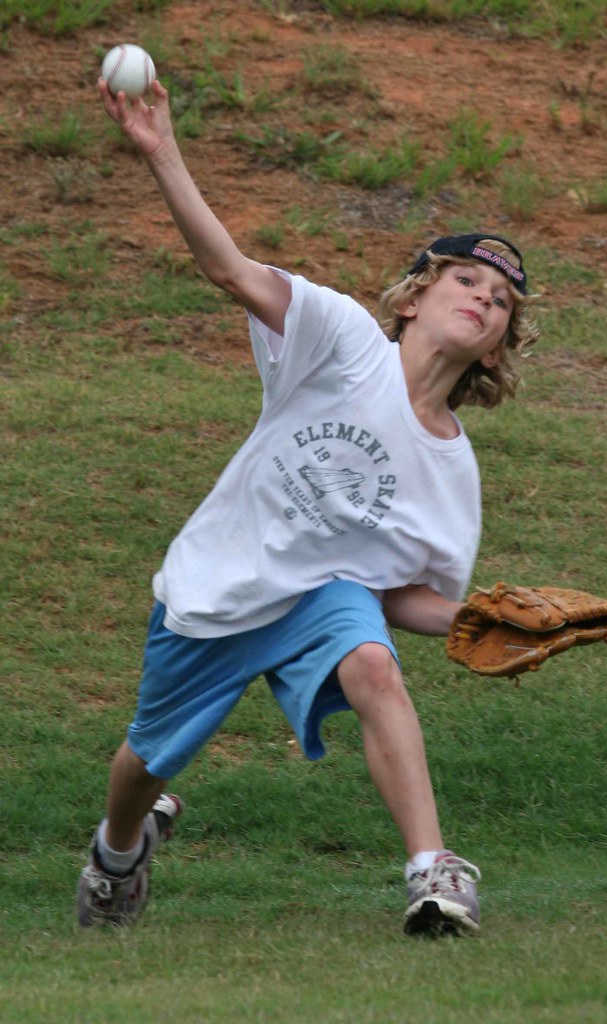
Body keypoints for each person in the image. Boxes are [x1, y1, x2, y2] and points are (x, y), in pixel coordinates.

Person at [77, 76, 539, 937]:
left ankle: (430, 871)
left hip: (321, 596)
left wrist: (485, 619)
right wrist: (160, 151)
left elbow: (402, 594)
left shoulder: (451, 467)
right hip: (220, 582)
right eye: (466, 279)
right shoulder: (337, 339)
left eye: (501, 299)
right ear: (413, 296)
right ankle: (118, 847)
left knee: (371, 665)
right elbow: (225, 267)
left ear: (498, 342)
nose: (483, 296)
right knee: (144, 760)